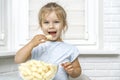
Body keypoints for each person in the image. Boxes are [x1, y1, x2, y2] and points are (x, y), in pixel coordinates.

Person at [15, 2, 82, 80]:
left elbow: (78, 71)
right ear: (41, 25)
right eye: (46, 22)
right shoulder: (37, 46)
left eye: (56, 22)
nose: (51, 26)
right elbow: (18, 60)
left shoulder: (70, 49)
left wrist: (72, 71)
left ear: (63, 25)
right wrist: (31, 43)